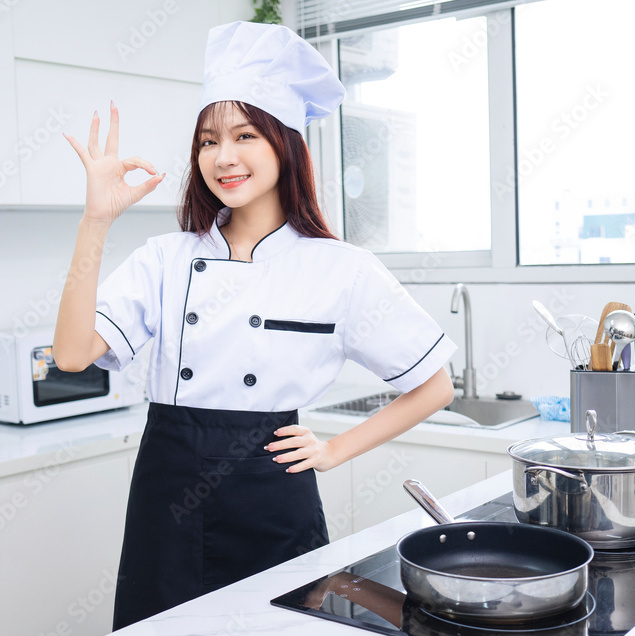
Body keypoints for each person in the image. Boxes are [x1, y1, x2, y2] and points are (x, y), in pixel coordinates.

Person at [53, 20, 457, 631]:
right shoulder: (166, 258)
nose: (223, 157)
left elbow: (436, 385)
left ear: (285, 144)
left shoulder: (341, 270)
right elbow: (72, 355)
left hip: (273, 499)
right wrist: (95, 221)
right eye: (209, 140)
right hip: (168, 502)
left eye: (245, 135)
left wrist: (335, 449)